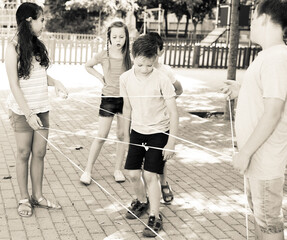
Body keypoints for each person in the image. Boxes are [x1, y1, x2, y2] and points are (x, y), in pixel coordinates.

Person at [222, 1, 287, 239]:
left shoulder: (276, 58)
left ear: (265, 18)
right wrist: (242, 89)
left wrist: (245, 152)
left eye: (252, 18)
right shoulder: (268, 57)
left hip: (264, 163)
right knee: (262, 221)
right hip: (257, 164)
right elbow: (267, 98)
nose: (249, 24)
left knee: (269, 225)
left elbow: (273, 112)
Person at [5, 2, 68, 217]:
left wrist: (56, 82)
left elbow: (39, 76)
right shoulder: (12, 45)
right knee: (23, 153)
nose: (44, 23)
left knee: (39, 153)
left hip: (42, 107)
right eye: (41, 19)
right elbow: (14, 83)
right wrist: (28, 114)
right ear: (29, 20)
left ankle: (38, 197)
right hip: (23, 111)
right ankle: (24, 198)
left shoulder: (38, 45)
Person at [120, 36, 178, 237]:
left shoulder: (162, 78)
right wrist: (125, 137)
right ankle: (141, 201)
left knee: (150, 175)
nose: (145, 68)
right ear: (133, 57)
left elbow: (173, 112)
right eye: (140, 64)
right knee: (132, 174)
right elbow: (127, 108)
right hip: (137, 131)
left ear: (156, 58)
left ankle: (155, 215)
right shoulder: (125, 78)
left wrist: (171, 143)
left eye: (149, 64)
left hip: (159, 132)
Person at [80, 21, 132, 185]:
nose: (118, 40)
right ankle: (87, 170)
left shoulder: (129, 56)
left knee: (122, 136)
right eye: (115, 36)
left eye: (121, 37)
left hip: (126, 100)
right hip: (108, 99)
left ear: (126, 37)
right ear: (109, 37)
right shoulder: (104, 54)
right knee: (101, 136)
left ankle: (118, 169)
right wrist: (100, 78)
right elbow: (88, 66)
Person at [147, 32, 183, 204]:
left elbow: (179, 89)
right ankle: (149, 190)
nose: (152, 57)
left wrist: (168, 102)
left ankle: (163, 183)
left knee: (159, 157)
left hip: (161, 122)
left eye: (155, 51)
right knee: (143, 158)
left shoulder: (166, 71)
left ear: (161, 51)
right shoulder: (140, 69)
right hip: (143, 120)